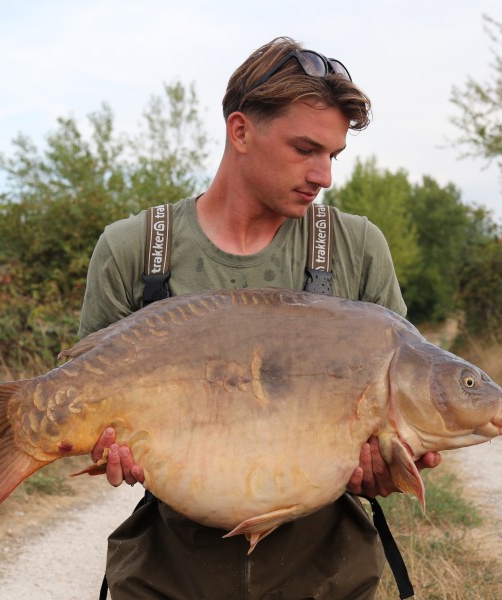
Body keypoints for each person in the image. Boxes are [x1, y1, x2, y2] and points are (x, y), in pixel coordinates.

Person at [78, 36, 441, 599]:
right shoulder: (134, 249)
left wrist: (391, 466)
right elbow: (92, 417)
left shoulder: (357, 247)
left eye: (333, 155)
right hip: (165, 573)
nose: (324, 176)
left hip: (326, 575)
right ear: (241, 131)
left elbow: (397, 415)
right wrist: (105, 450)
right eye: (305, 149)